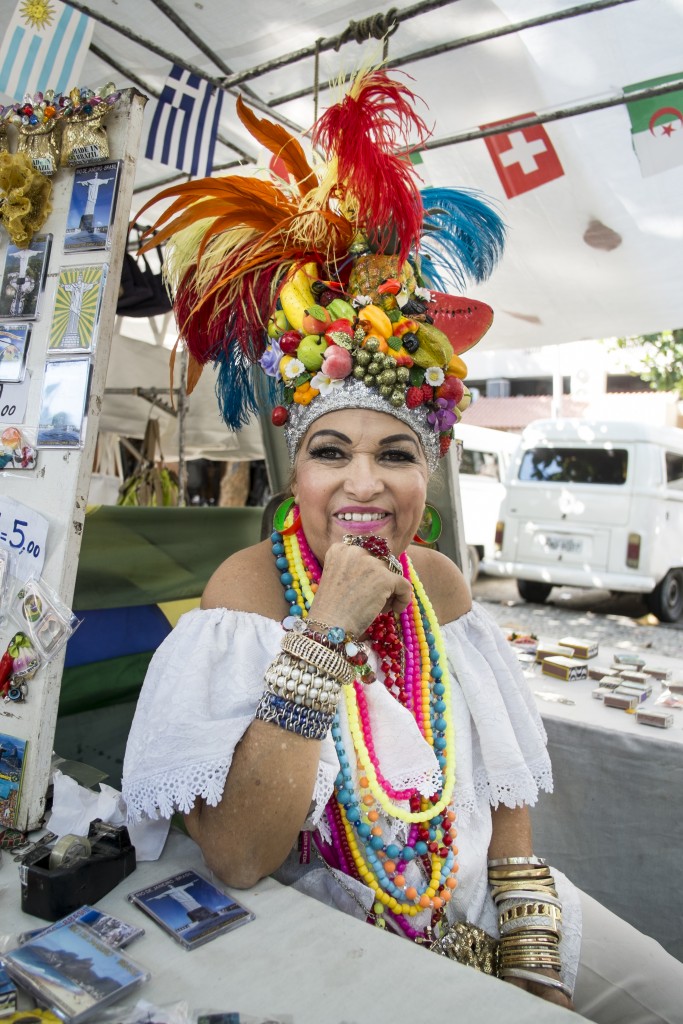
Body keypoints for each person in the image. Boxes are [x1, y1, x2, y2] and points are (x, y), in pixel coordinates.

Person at [122, 68, 682, 1023]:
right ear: (294, 474)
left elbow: (504, 798)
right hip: (335, 925)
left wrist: (531, 950)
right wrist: (328, 629)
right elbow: (241, 854)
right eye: (330, 453)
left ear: (430, 473)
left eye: (396, 455)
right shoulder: (247, 588)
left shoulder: (438, 580)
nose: (364, 484)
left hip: (476, 900)